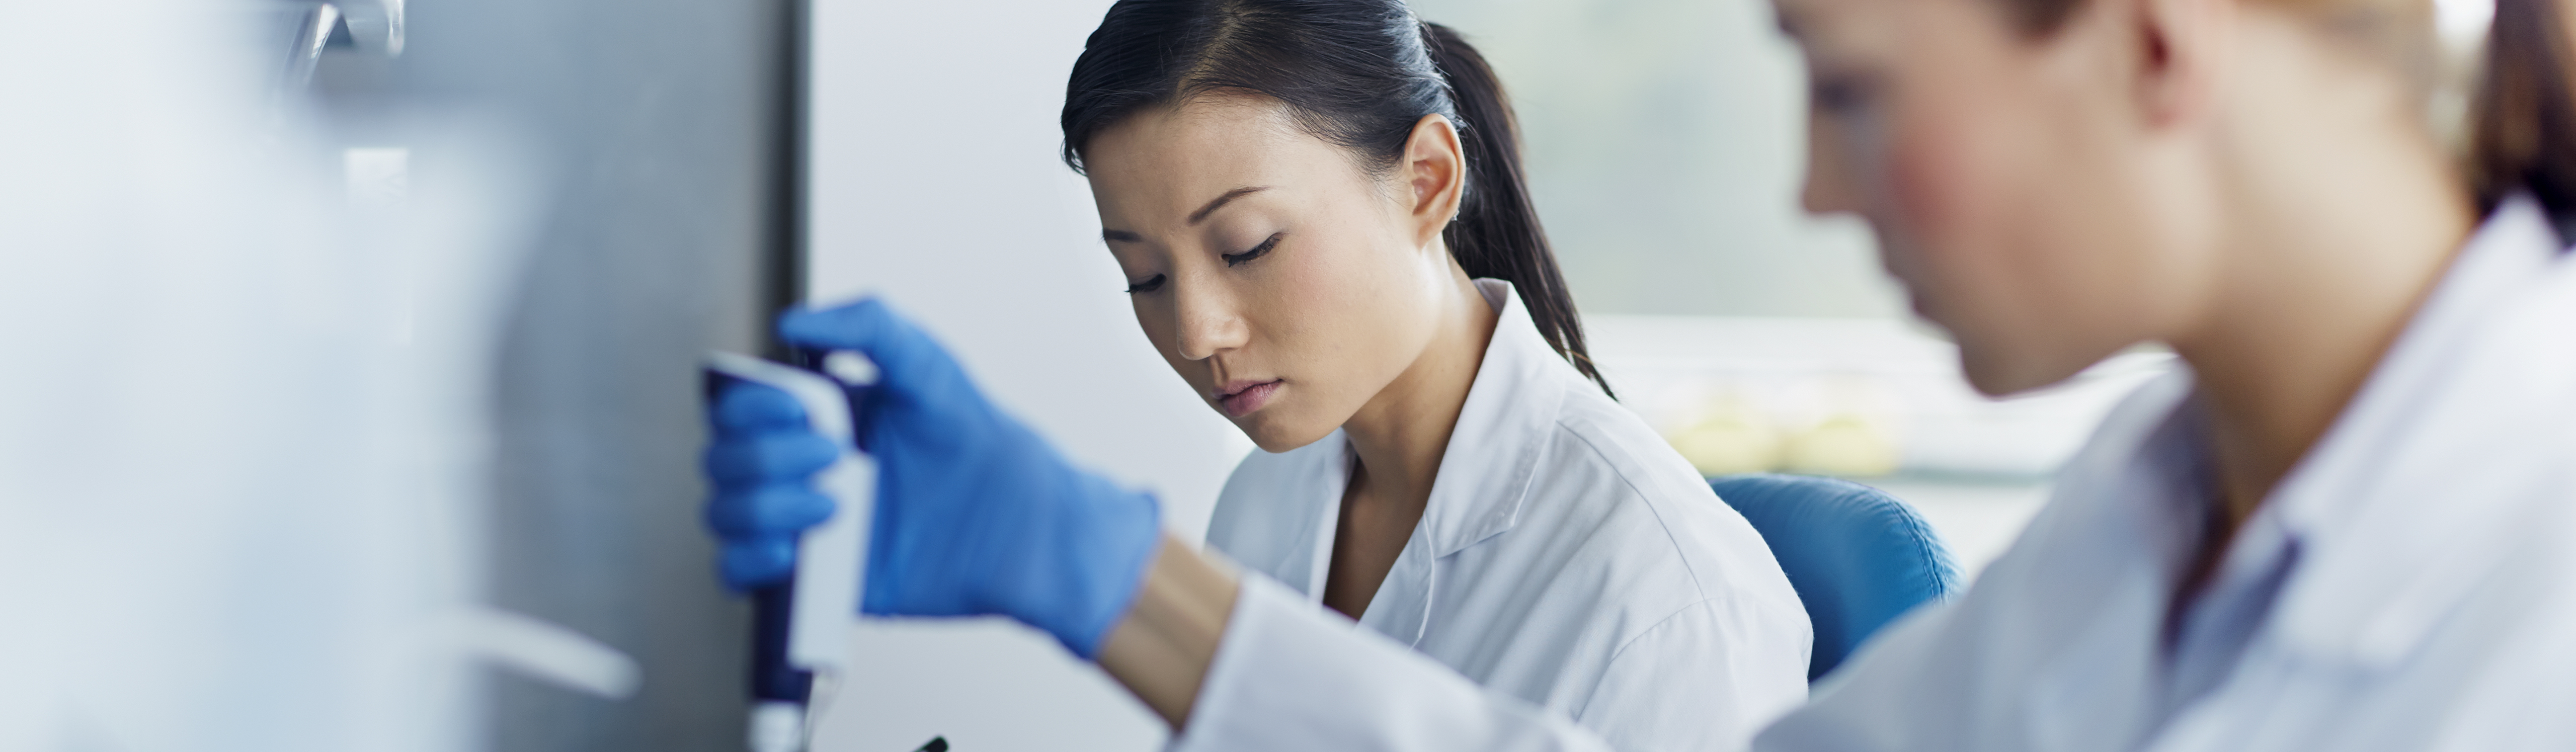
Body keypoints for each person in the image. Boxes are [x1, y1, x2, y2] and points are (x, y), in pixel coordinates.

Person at [703, 0, 2576, 747]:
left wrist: (1114, 583)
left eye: (1854, 91)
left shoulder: (2533, 605)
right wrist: (1109, 577)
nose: (1814, 188)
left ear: (2154, 43)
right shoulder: (2143, 527)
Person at [711, 1, 1812, 747]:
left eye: (1247, 246)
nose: (1197, 329)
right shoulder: (1271, 495)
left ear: (1427, 181)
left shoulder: (1671, 603)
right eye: (1143, 276)